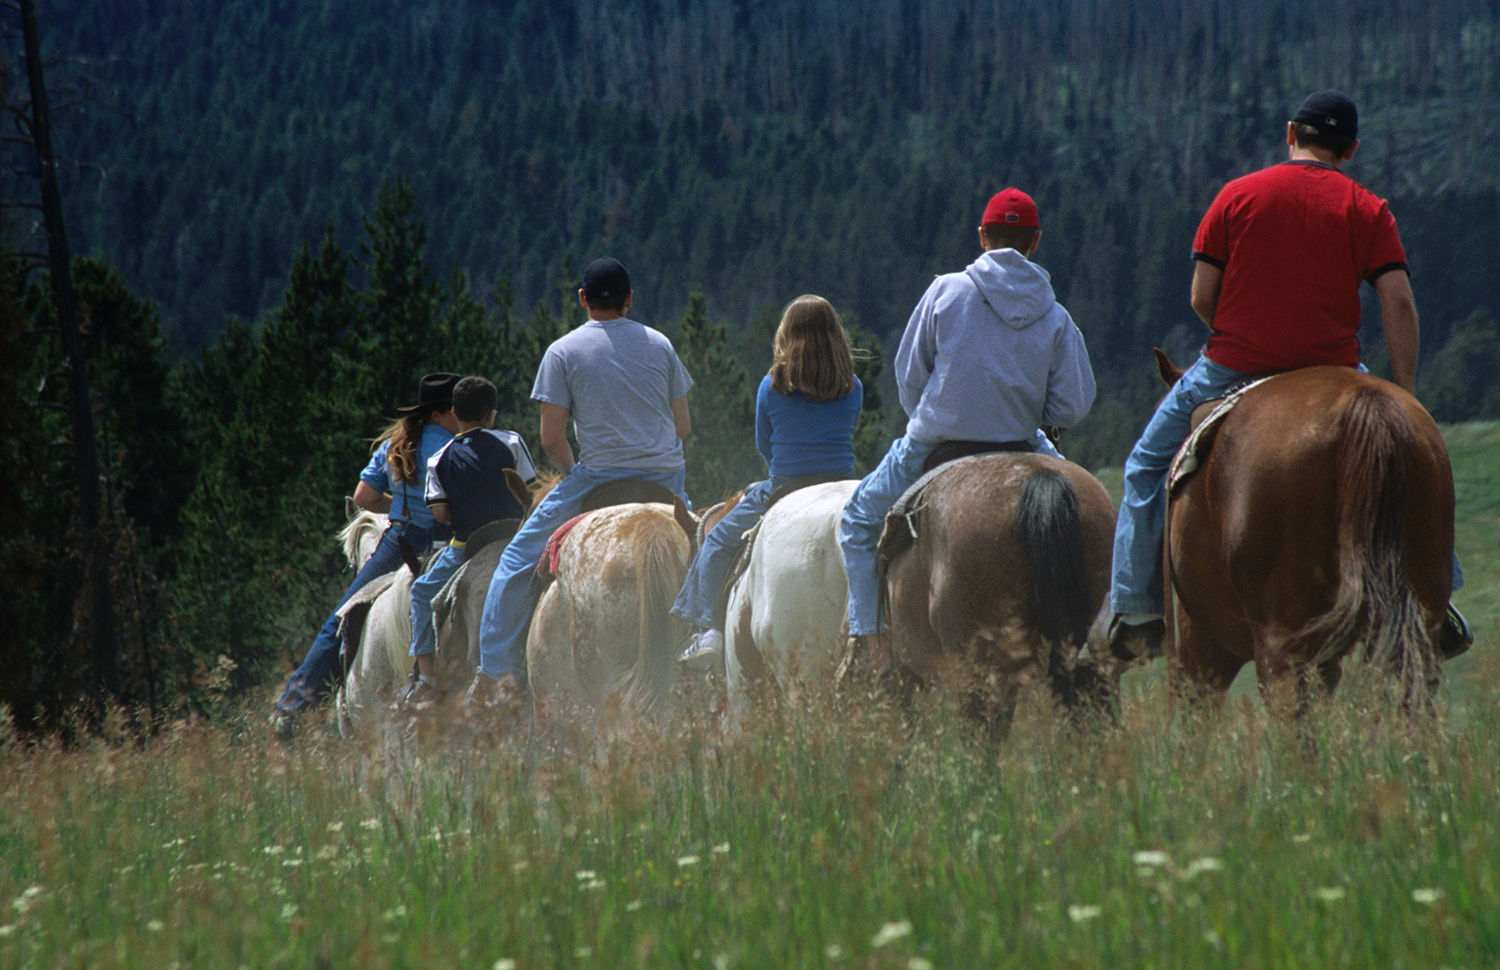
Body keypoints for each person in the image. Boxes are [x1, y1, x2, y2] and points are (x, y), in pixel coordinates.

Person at [1106, 89, 1471, 662]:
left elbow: (1203, 295)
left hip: (1235, 362)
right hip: (1335, 366)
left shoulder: (1235, 196)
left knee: (1145, 466)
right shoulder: (1368, 208)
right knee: (1410, 441)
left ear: (1288, 134)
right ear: (1349, 150)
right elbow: (1398, 303)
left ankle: (1134, 610)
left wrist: (1245, 333)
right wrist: (1406, 393)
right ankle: (1437, 599)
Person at [839, 188, 1097, 667]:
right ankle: (1097, 638)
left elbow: (908, 374)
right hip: (1022, 444)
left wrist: (936, 414)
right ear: (1034, 242)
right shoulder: (1056, 314)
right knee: (1084, 514)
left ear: (982, 236)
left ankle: (870, 643)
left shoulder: (946, 291)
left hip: (939, 441)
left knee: (856, 520)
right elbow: (1073, 404)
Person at [470, 257, 694, 705]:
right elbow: (682, 427)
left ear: (582, 300)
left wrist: (577, 475)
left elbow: (551, 439)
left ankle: (495, 674)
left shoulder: (563, 351)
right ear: (630, 300)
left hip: (598, 477)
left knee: (513, 562)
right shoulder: (661, 344)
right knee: (707, 548)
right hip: (664, 478)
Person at [676, 295, 863, 669]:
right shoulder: (852, 386)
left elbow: (765, 443)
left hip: (786, 485)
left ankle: (708, 631)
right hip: (844, 481)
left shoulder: (771, 386)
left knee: (717, 541)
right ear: (836, 337)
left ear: (788, 335)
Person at [271, 372, 460, 738]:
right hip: (444, 542)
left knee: (343, 618)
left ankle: (292, 709)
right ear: (439, 415)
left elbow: (363, 499)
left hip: (399, 542)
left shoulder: (395, 444)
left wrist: (402, 505)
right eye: (454, 411)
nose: (458, 416)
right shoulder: (454, 445)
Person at [400, 377, 538, 710]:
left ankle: (427, 678)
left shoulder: (439, 458)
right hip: (513, 539)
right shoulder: (513, 441)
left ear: (454, 415)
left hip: (466, 546)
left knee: (420, 593)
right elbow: (529, 494)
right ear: (491, 415)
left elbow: (443, 515)